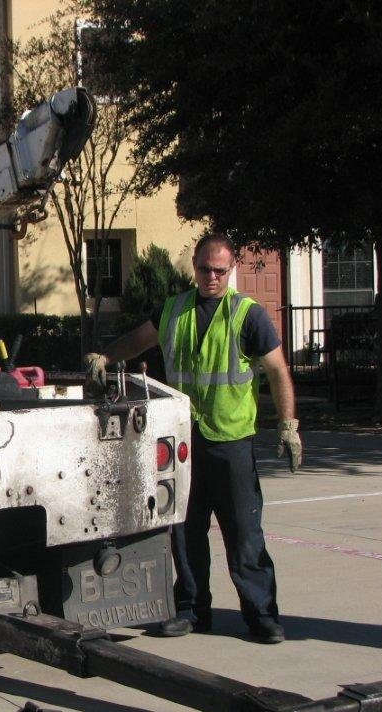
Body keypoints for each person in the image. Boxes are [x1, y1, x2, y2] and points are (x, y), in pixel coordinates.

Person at [85, 233, 302, 643]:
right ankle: (190, 609)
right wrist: (108, 356)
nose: (212, 277)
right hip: (184, 441)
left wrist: (288, 425)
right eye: (205, 269)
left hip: (231, 441)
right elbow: (138, 339)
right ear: (195, 268)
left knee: (243, 533)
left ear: (231, 269)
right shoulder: (174, 309)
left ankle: (261, 614)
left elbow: (277, 370)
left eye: (220, 270)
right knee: (184, 530)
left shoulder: (247, 315)